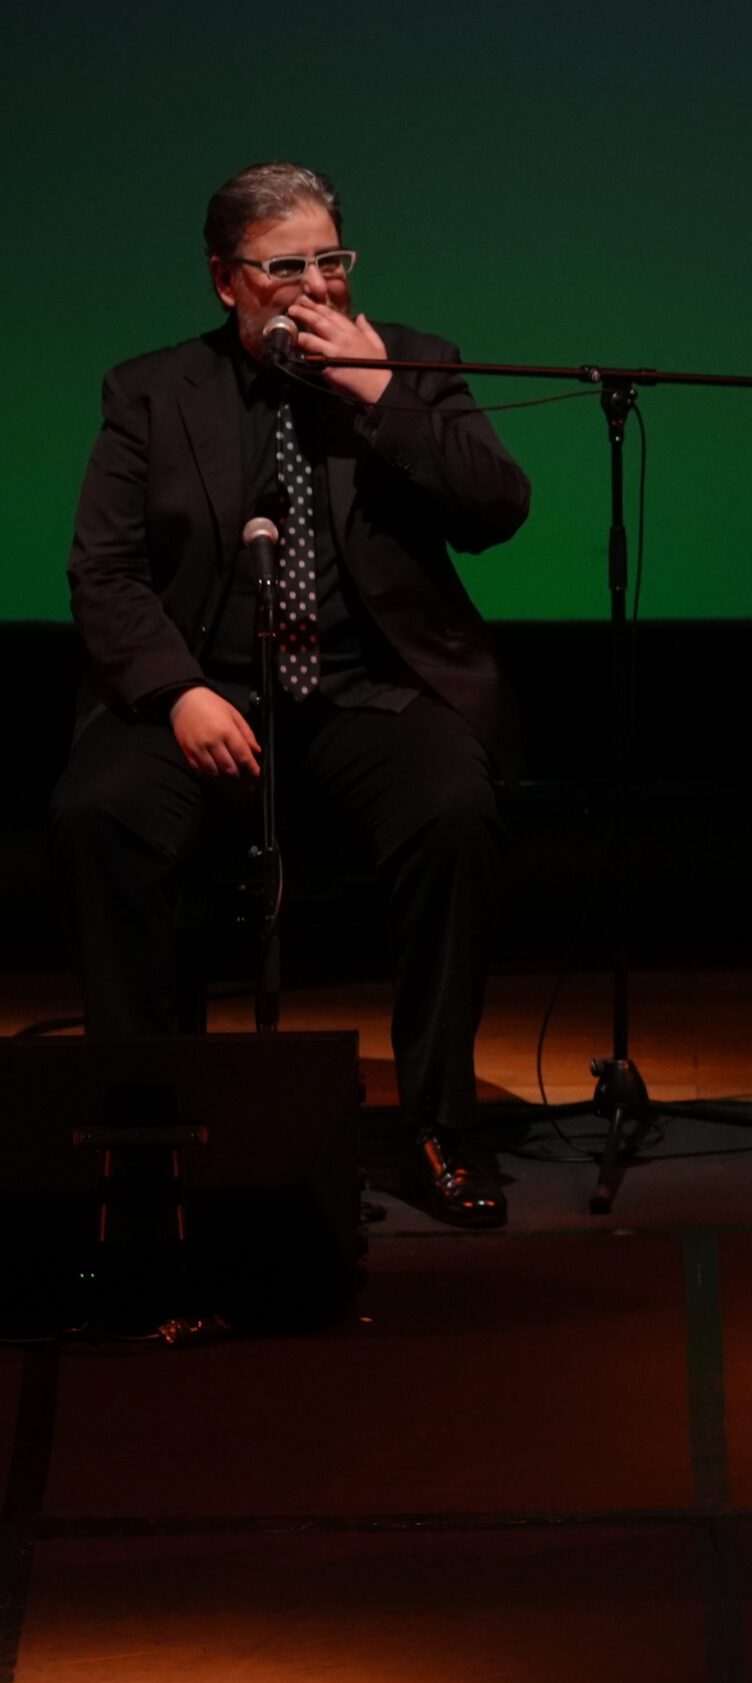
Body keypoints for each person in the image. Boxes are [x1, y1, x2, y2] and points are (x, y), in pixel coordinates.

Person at [53, 161, 529, 1226]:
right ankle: (146, 1131)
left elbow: (496, 507)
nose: (315, 287)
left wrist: (382, 394)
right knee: (101, 816)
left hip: (368, 694)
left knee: (453, 813)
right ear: (228, 282)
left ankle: (442, 1129)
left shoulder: (412, 363)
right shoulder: (150, 390)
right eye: (286, 268)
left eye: (330, 261)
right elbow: (106, 571)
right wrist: (175, 689)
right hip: (209, 693)